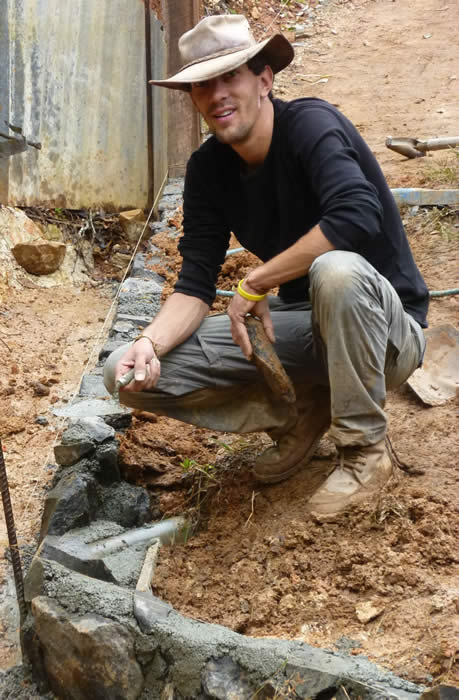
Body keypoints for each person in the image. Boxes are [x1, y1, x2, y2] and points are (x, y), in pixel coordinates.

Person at [104, 14, 429, 518]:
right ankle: (301, 411)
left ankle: (366, 450)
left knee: (336, 270)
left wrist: (256, 281)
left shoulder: (312, 126)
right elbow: (194, 284)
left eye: (229, 76)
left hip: (387, 333)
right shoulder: (209, 169)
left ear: (265, 80)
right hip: (309, 328)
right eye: (201, 85)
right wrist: (148, 345)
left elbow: (356, 214)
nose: (216, 95)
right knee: (122, 371)